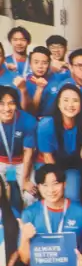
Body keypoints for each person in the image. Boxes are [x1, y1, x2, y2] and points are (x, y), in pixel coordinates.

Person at [36, 80, 82, 218]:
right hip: (49, 165)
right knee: (52, 193)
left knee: (72, 195)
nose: (70, 105)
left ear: (80, 105)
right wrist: (57, 183)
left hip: (72, 166)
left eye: (75, 101)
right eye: (65, 100)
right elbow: (48, 158)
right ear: (58, 103)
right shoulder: (46, 125)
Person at [0, 86, 26, 214]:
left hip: (22, 161)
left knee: (30, 194)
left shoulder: (27, 120)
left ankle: (27, 218)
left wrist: (26, 179)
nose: (7, 108)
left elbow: (28, 152)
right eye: (2, 104)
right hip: (1, 161)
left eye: (11, 103)